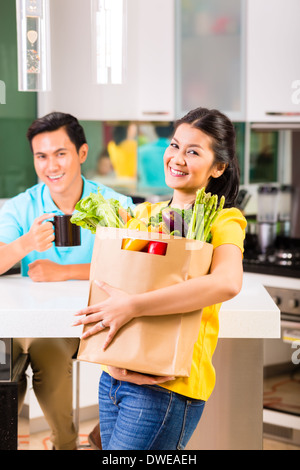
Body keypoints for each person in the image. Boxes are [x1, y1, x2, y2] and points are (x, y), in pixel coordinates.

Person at [73, 107, 247, 450]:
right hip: (115, 377)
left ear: (219, 167)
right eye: (174, 145)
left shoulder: (224, 221)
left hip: (168, 385)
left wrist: (133, 306)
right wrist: (116, 362)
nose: (177, 158)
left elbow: (228, 282)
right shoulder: (143, 214)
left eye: (193, 152)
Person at [0, 112, 133, 450]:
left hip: (85, 322)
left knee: (49, 351)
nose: (51, 165)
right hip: (26, 322)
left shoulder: (116, 205)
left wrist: (65, 272)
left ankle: (65, 443)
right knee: (4, 362)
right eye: (41, 156)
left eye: (61, 153)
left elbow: (133, 266)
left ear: (82, 154)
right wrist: (26, 244)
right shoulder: (21, 207)